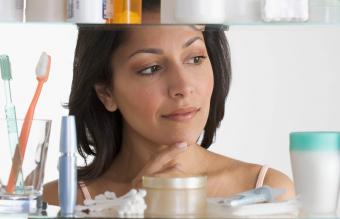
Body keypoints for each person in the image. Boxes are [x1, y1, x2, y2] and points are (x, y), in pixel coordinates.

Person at [43, 0, 295, 205]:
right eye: (151, 68)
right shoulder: (62, 200)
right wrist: (131, 208)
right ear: (106, 92)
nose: (183, 87)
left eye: (195, 58)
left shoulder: (266, 192)